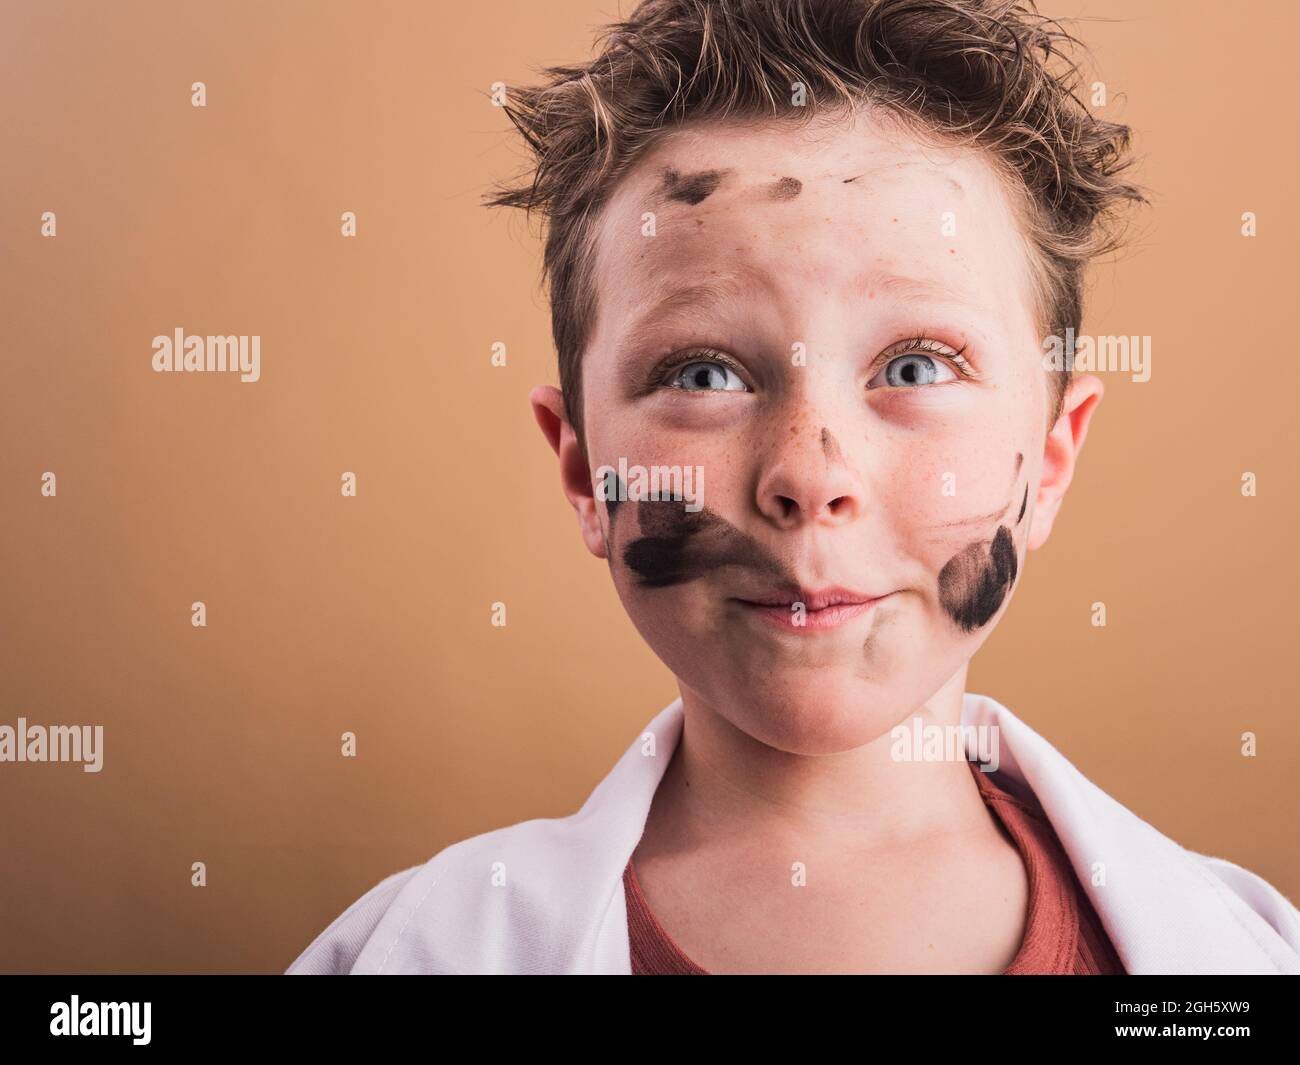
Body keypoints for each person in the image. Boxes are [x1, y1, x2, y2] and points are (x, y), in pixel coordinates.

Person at [286, 0, 1300, 974]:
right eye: (702, 375)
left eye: (914, 367)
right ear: (583, 468)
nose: (809, 478)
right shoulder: (417, 951)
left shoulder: (1240, 952)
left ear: (1049, 458)